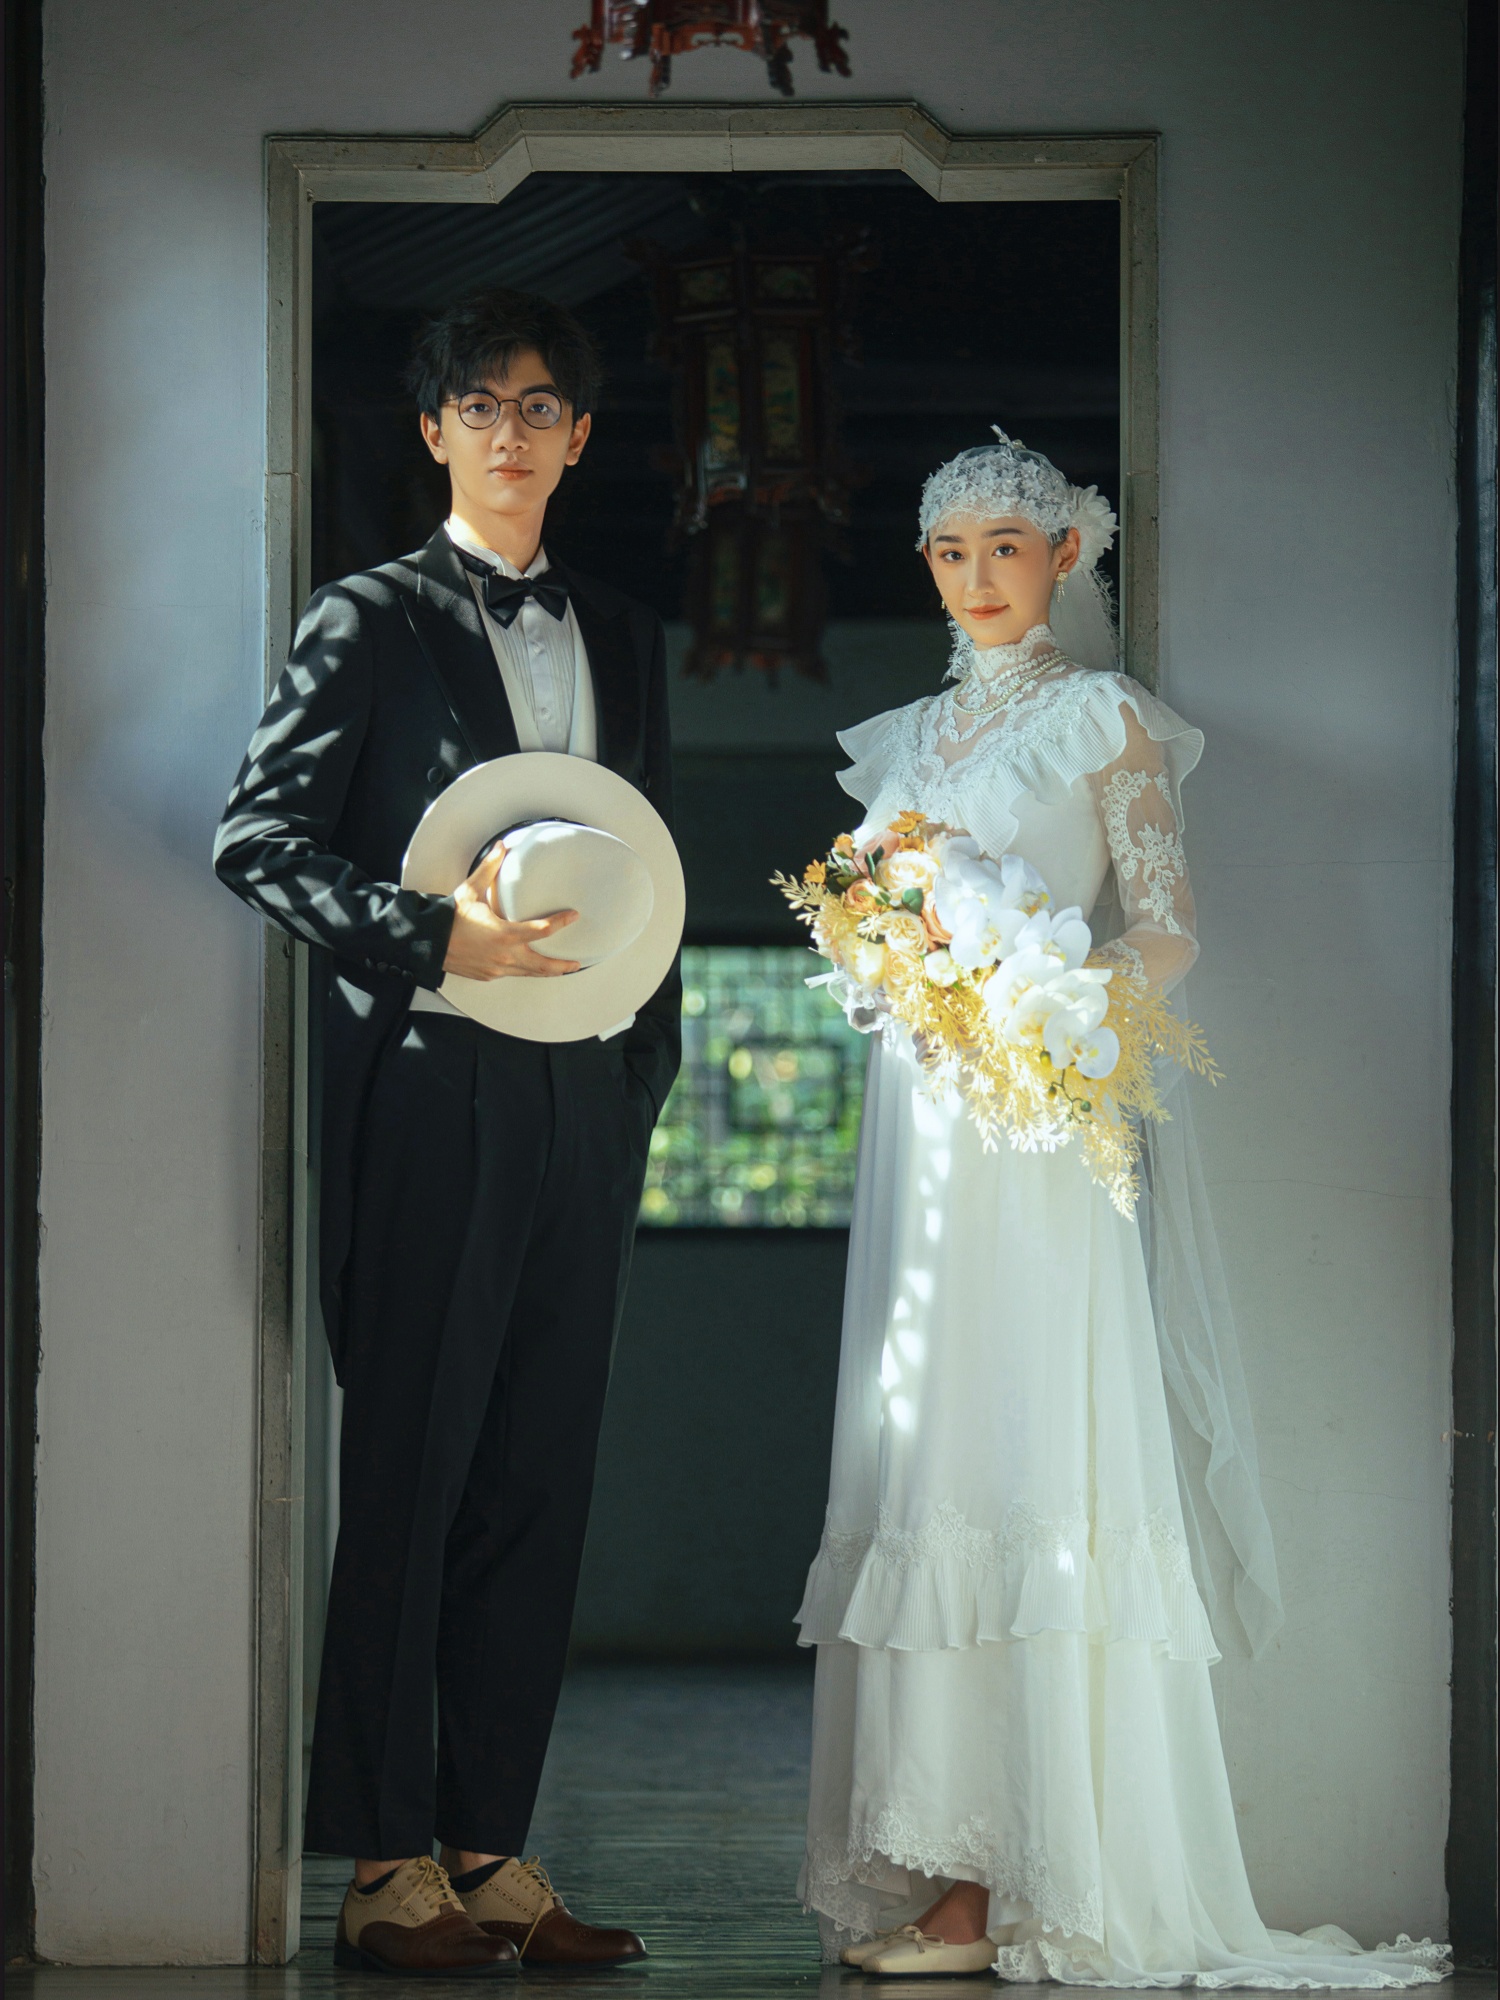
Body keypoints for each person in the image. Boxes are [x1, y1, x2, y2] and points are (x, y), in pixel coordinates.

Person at [794, 431, 1450, 1986]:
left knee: (1029, 1452)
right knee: (927, 1452)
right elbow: (867, 919)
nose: (978, 577)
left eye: (1005, 548)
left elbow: (1165, 929)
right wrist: (889, 971)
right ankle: (944, 1865)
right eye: (951, 553)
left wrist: (1045, 1004)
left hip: (1039, 1123)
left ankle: (1037, 1878)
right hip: (923, 1133)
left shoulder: (1107, 721)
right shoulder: (908, 742)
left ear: (1066, 556)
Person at [215, 287, 679, 1977]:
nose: (507, 430)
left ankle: (491, 1853)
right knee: (411, 1474)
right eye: (476, 404)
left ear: (578, 435)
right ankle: (379, 1866)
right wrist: (435, 941)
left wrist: (637, 1081)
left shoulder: (622, 629)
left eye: (537, 404)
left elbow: (659, 863)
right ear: (433, 432)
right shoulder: (369, 617)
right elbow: (256, 841)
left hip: (583, 1095)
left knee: (538, 1478)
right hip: (428, 1086)